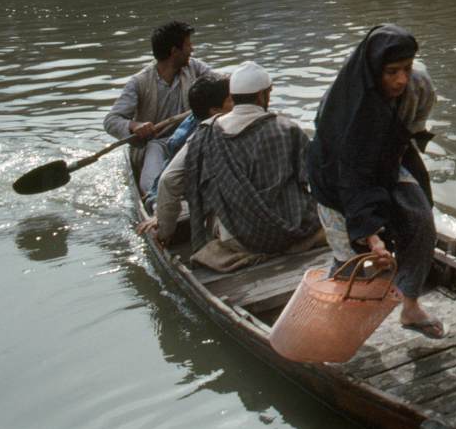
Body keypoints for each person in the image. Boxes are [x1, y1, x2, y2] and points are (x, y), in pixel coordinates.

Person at [307, 25, 444, 338]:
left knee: (421, 222)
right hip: (336, 176)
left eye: (406, 69)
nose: (400, 80)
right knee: (350, 256)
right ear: (373, 71)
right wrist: (372, 236)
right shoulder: (345, 105)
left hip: (387, 160)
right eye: (391, 72)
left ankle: (410, 307)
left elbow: (409, 130)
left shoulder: (418, 85)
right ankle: (337, 317)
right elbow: (351, 174)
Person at [140, 62, 322, 271]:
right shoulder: (288, 128)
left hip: (239, 240)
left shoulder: (205, 133)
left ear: (233, 96)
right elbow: (317, 177)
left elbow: (169, 181)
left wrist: (165, 232)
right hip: (293, 231)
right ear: (263, 95)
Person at [105, 20, 212, 196]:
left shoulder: (195, 68)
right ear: (174, 51)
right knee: (152, 185)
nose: (192, 50)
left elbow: (220, 83)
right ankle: (155, 202)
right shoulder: (139, 82)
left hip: (191, 138)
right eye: (188, 45)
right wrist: (135, 126)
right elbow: (111, 121)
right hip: (156, 145)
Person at [143, 73, 232, 209]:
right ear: (214, 110)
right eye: (232, 99)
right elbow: (167, 179)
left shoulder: (218, 121)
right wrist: (157, 205)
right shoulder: (190, 138)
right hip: (174, 189)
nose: (239, 102)